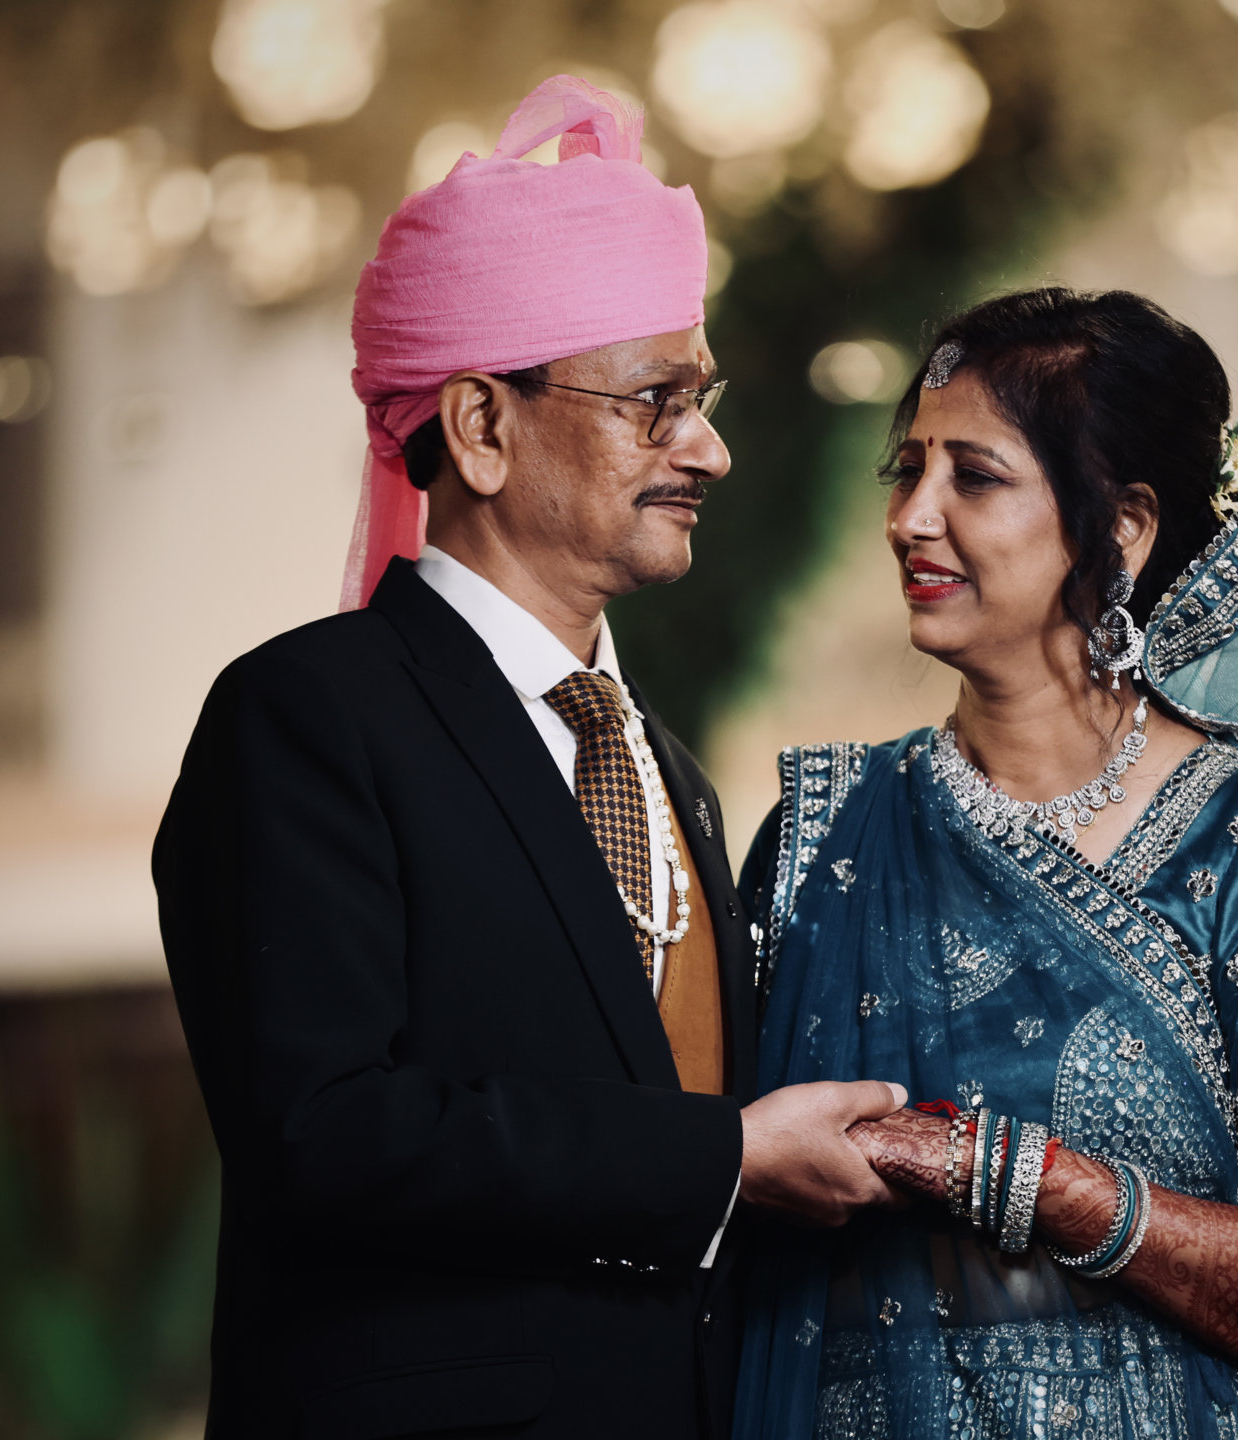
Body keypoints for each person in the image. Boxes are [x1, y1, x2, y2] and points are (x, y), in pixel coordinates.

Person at [153, 76, 903, 1440]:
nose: (712, 450)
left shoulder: (668, 769)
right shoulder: (307, 718)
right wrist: (725, 1158)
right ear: (484, 427)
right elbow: (325, 1136)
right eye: (655, 401)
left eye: (706, 397)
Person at [734, 289, 1238, 1440]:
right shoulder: (823, 839)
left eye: (975, 477)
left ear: (1124, 525)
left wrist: (1029, 1181)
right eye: (907, 471)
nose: (912, 516)